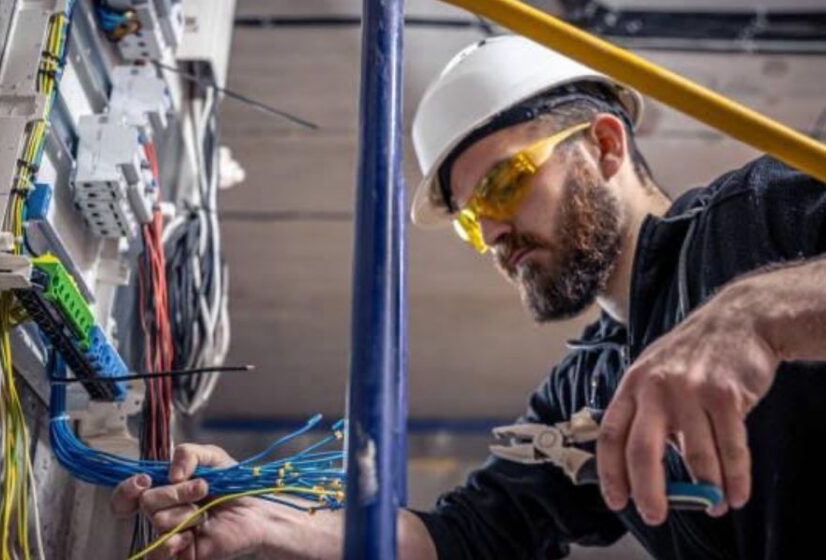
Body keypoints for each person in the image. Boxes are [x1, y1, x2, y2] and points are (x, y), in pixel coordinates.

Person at [111, 35, 826, 559]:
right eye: (470, 225)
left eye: (503, 184)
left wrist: (756, 315)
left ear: (606, 146)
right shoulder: (584, 391)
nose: (493, 234)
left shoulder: (757, 219)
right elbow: (463, 538)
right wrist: (273, 519)